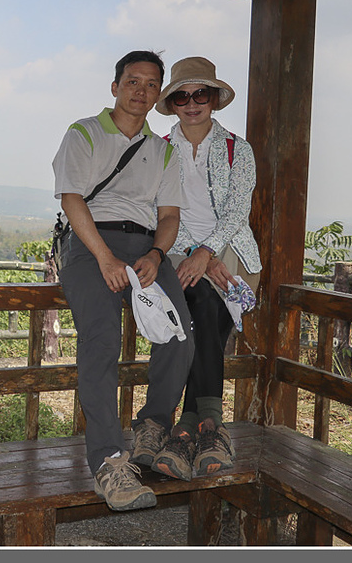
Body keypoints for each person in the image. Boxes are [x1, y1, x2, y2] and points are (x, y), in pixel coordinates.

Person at [52, 50, 194, 511]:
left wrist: (156, 254)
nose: (141, 91)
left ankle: (153, 426)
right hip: (90, 243)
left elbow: (169, 216)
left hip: (145, 247)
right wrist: (105, 258)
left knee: (179, 336)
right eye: (133, 81)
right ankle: (109, 461)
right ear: (115, 87)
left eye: (151, 84)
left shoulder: (164, 150)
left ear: (158, 94)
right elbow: (72, 200)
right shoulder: (84, 133)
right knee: (102, 339)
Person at [144, 56, 262, 481]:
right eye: (182, 96)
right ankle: (209, 426)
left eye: (201, 94)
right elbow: (156, 212)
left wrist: (209, 254)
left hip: (233, 257)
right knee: (202, 308)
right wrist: (196, 253)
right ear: (172, 103)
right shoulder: (158, 149)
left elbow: (237, 210)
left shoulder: (237, 149)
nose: (192, 103)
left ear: (214, 99)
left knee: (203, 326)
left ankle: (184, 429)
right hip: (179, 252)